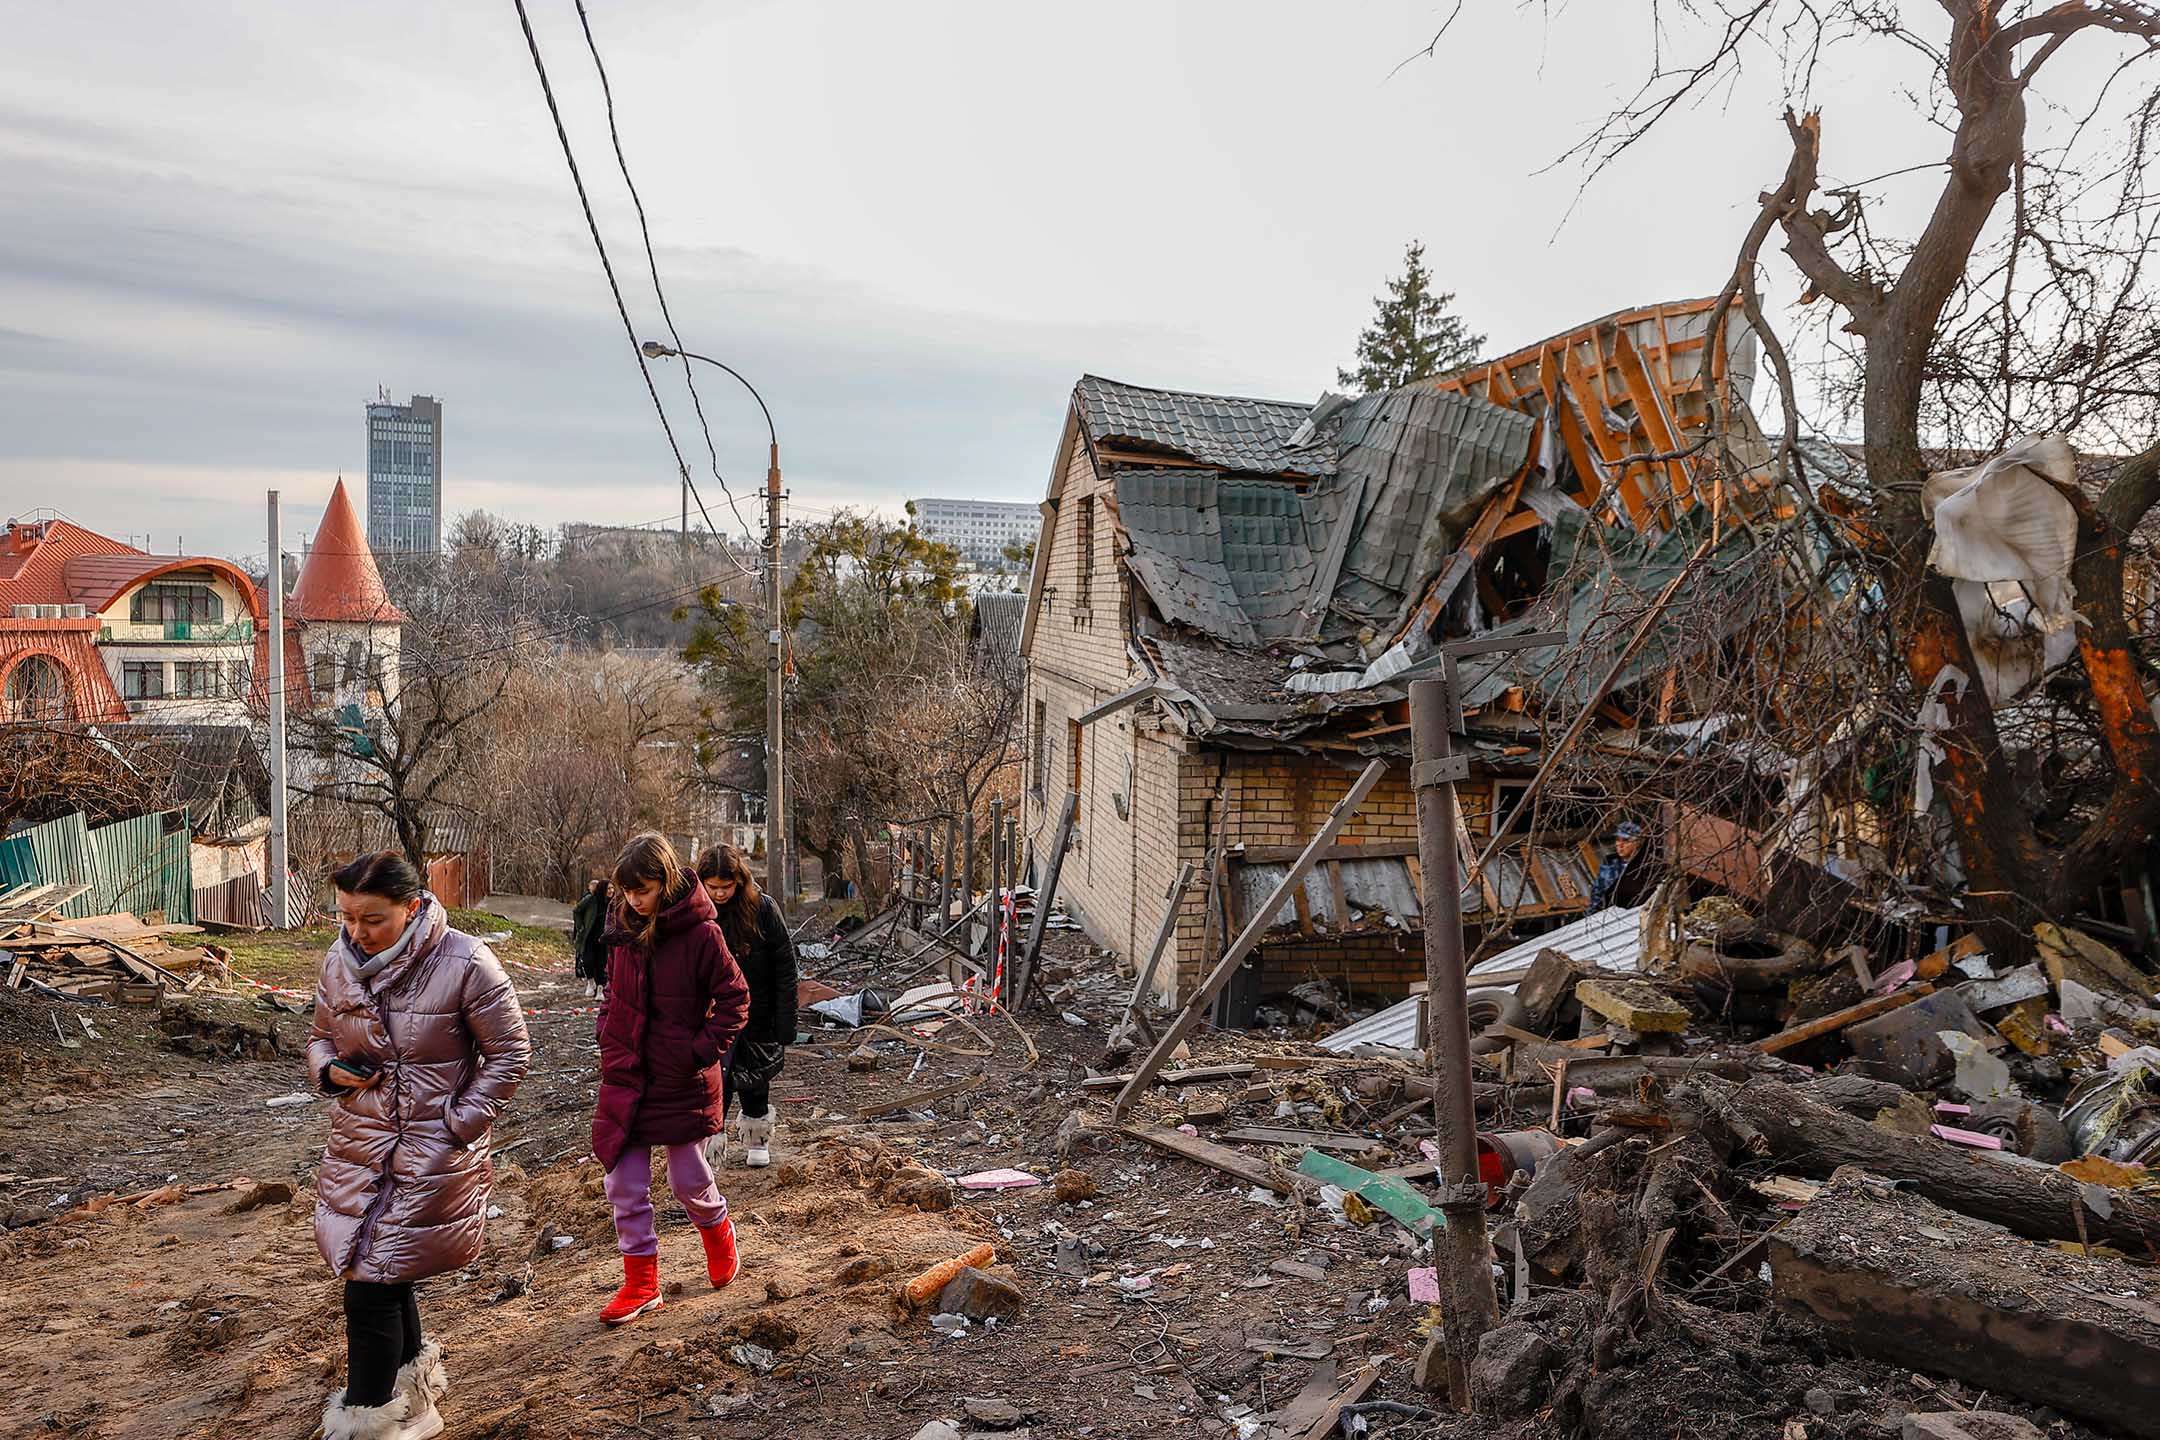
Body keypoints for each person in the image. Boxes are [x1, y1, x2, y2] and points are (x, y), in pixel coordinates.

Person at [309, 851, 532, 1440]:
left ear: (412, 907)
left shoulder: (466, 960)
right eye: (347, 917)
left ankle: (367, 1420)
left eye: (372, 919)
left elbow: (510, 1052)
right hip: (360, 1144)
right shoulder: (338, 960)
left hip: (433, 1152)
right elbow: (319, 1037)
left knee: (371, 1281)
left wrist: (459, 1124)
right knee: (383, 1271)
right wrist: (331, 1071)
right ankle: (415, 1402)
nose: (356, 932)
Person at [591, 833, 751, 1324]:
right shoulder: (621, 928)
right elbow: (613, 994)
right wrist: (608, 1030)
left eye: (642, 890)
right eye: (627, 891)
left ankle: (719, 1234)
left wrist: (697, 1052)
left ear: (665, 881)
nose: (633, 900)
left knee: (689, 1182)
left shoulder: (703, 935)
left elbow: (735, 1000)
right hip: (628, 1075)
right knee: (622, 1182)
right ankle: (642, 1283)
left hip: (682, 1080)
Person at [695, 844, 797, 1168]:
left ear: (739, 881)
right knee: (714, 1079)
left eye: (727, 887)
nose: (720, 894)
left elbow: (785, 966)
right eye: (713, 887)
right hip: (712, 1012)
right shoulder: (694, 912)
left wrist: (786, 1022)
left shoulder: (763, 909)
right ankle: (711, 1142)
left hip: (759, 1008)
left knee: (756, 1075)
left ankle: (757, 1134)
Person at [1588, 820, 1650, 913]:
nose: (1619, 845)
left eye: (1626, 840)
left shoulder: (1646, 864)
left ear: (1638, 842)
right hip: (1610, 915)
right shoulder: (1610, 863)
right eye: (1617, 839)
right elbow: (1598, 893)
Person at [572, 877, 610, 998]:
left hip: (604, 939)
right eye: (609, 888)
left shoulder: (612, 902)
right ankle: (590, 982)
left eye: (613, 888)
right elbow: (577, 910)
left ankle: (600, 989)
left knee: (602, 963)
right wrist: (580, 927)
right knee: (588, 961)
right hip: (589, 937)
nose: (611, 891)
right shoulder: (591, 899)